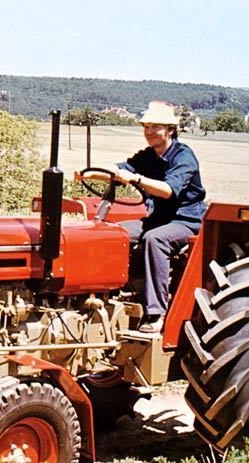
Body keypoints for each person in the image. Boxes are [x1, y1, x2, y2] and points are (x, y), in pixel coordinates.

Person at [89, 101, 207, 333]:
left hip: (185, 221)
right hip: (157, 219)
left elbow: (168, 190)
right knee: (114, 233)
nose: (149, 132)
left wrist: (137, 179)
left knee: (155, 239)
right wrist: (92, 173)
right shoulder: (148, 155)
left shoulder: (184, 157)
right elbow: (122, 168)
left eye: (155, 127)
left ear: (170, 130)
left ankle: (156, 313)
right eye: (146, 127)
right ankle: (107, 293)